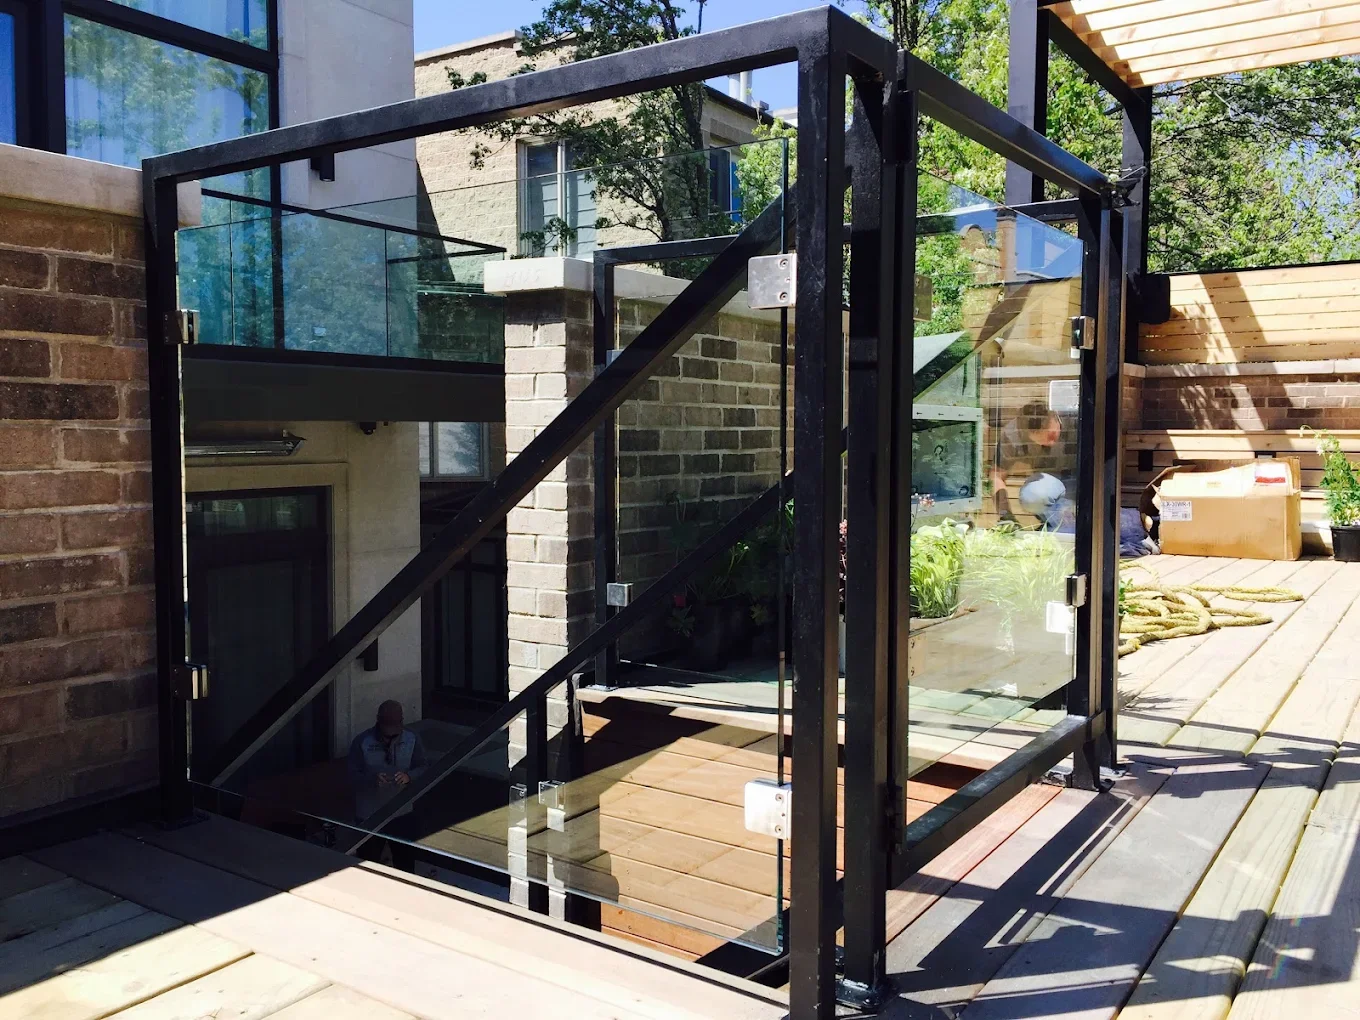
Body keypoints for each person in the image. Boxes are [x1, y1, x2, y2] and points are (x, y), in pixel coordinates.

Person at [347, 700, 428, 872]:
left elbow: (423, 767)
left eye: (394, 734)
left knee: (405, 864)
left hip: (402, 812)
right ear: (378, 722)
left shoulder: (412, 739)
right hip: (370, 814)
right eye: (386, 734)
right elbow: (351, 775)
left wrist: (409, 776)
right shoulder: (362, 742)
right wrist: (371, 780)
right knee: (367, 866)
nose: (390, 738)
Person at [990, 401, 1073, 531]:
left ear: (1054, 417)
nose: (1051, 444)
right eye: (1042, 442)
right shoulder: (1012, 435)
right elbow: (996, 476)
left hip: (1086, 481)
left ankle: (1059, 526)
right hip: (1051, 487)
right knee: (1033, 494)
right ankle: (1062, 526)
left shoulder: (1075, 418)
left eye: (1052, 435)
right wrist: (1005, 515)